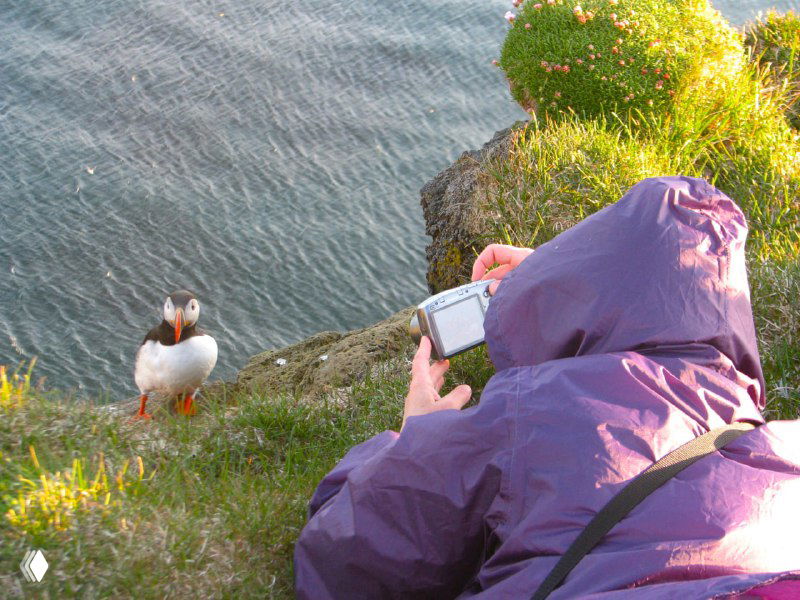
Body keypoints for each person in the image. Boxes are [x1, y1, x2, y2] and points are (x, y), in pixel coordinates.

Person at [294, 176, 800, 598]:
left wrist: (412, 438)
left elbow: (342, 561)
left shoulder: (530, 413)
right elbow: (671, 293)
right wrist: (578, 289)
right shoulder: (772, 441)